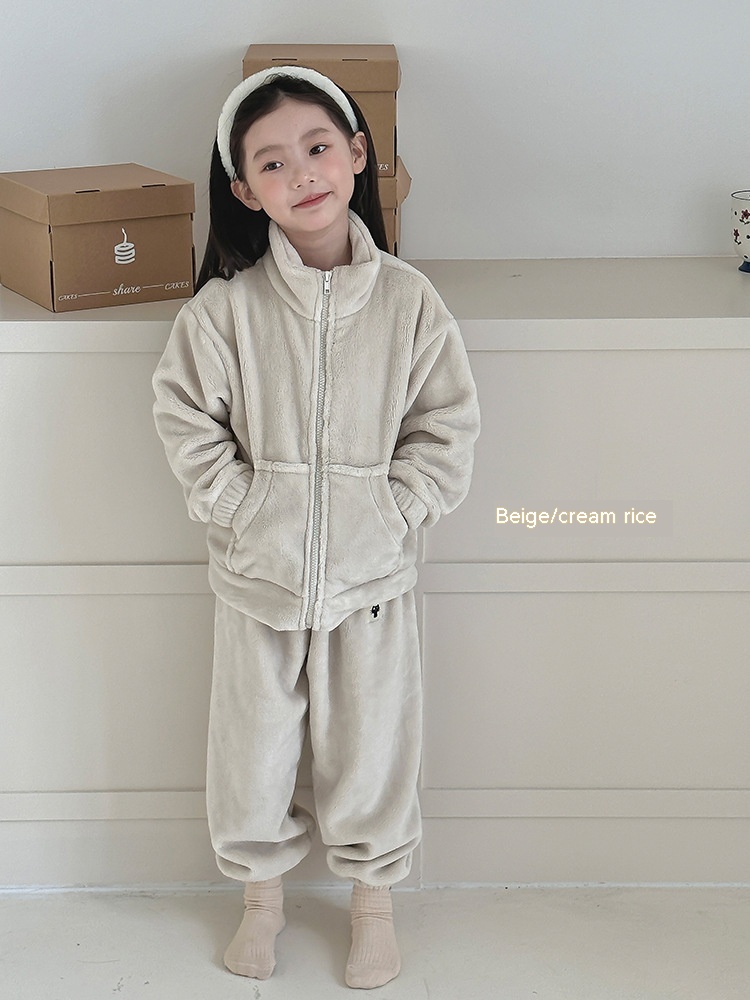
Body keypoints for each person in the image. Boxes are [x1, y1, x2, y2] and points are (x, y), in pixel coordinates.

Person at [151, 65, 480, 990]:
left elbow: (446, 426)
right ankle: (260, 902)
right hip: (257, 580)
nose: (301, 172)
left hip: (372, 583)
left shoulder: (410, 303)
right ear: (244, 191)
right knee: (251, 750)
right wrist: (243, 508)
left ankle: (373, 908)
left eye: (318, 146)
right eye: (272, 162)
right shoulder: (227, 311)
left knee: (374, 746)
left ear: (358, 155)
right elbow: (185, 420)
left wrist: (394, 508)